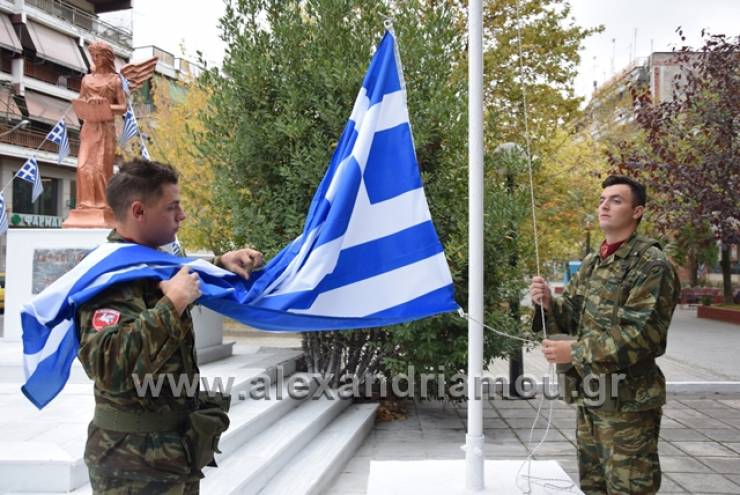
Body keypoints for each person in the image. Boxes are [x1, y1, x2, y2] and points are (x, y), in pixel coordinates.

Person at [76, 159, 264, 494]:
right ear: (138, 211)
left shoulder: (149, 264)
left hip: (173, 454)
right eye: (172, 207)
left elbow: (166, 279)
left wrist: (219, 265)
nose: (182, 216)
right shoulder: (108, 279)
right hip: (131, 466)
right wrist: (172, 305)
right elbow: (106, 365)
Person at [529, 175, 680, 494]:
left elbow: (641, 333)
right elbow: (572, 314)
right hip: (592, 395)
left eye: (616, 200)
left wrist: (576, 353)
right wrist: (548, 303)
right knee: (593, 484)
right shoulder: (593, 263)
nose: (604, 206)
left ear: (637, 211)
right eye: (601, 200)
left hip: (628, 404)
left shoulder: (651, 264)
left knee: (628, 486)